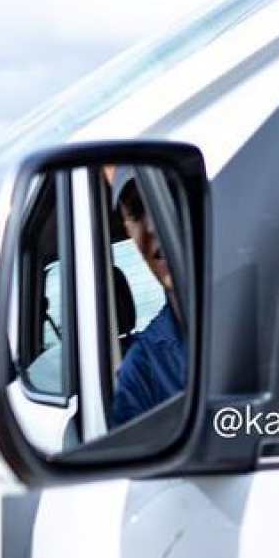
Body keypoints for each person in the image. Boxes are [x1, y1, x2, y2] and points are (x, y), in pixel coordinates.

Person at [111, 169, 188, 426]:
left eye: (167, 196)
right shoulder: (142, 372)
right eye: (137, 208)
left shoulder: (268, 303)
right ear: (127, 229)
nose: (154, 226)